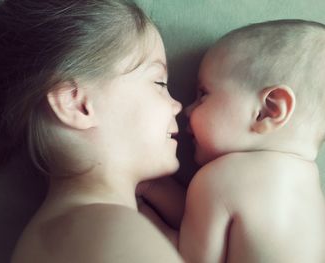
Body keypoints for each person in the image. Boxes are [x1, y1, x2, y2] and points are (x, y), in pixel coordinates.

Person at [0, 1, 184, 262]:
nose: (177, 105)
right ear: (77, 103)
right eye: (159, 82)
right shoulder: (108, 230)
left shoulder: (61, 232)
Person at [139, 19, 325, 263]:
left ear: (267, 111)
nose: (187, 110)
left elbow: (189, 257)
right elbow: (203, 221)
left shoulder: (219, 177)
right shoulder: (309, 190)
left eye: (204, 94)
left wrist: (140, 214)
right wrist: (155, 188)